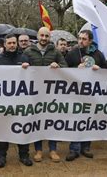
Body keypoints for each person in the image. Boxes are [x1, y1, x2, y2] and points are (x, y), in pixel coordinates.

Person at [23, 27, 67, 163]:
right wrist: (24, 66)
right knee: (36, 121)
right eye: (41, 35)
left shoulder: (56, 51)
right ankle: (38, 150)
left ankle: (53, 150)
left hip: (51, 93)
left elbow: (65, 66)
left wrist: (58, 65)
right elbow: (21, 68)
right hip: (34, 93)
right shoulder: (28, 51)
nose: (43, 38)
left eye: (46, 36)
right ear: (38, 36)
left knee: (51, 120)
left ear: (49, 38)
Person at [65, 30, 107, 161]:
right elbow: (64, 70)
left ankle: (86, 147)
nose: (80, 41)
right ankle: (74, 149)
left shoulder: (98, 54)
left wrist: (99, 70)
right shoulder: (72, 53)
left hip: (92, 94)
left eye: (84, 39)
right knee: (76, 120)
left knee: (89, 121)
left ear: (90, 41)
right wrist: (75, 69)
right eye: (79, 38)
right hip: (75, 93)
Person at [0, 34, 33, 168]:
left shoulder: (24, 58)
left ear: (17, 44)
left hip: (21, 101)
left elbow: (33, 77)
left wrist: (29, 68)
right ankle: (1, 156)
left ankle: (24, 155)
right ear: (5, 44)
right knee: (3, 130)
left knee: (22, 129)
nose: (12, 45)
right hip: (3, 102)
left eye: (14, 43)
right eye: (9, 43)